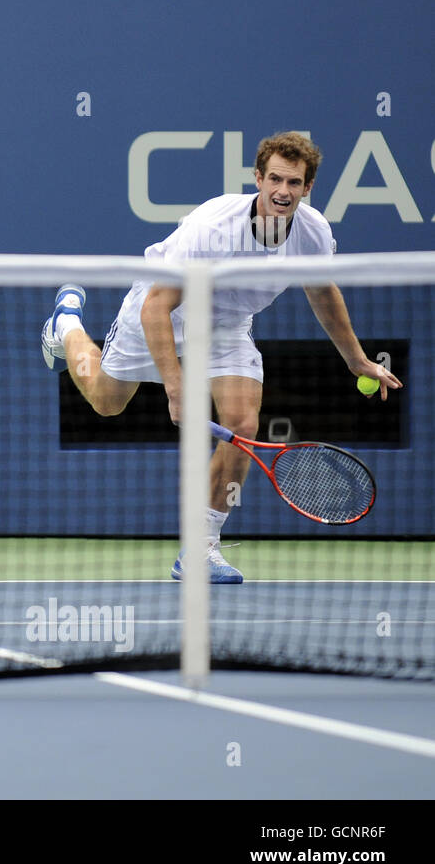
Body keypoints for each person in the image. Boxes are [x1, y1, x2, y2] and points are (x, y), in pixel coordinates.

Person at [40, 132, 401, 584]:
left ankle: (200, 548)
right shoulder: (212, 229)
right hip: (164, 312)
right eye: (274, 179)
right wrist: (176, 387)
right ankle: (67, 326)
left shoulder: (312, 233)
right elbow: (157, 306)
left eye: (294, 183)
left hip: (227, 326)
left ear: (308, 188)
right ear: (258, 178)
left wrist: (357, 360)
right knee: (106, 401)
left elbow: (322, 291)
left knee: (242, 427)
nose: (282, 192)